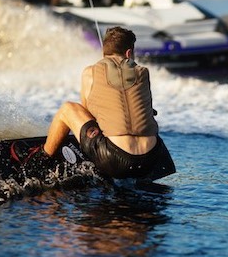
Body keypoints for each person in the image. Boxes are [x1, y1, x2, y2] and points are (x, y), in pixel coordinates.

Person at [12, 26, 174, 181]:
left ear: (104, 51)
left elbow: (89, 116)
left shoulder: (90, 71)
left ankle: (41, 160)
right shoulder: (143, 72)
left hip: (115, 159)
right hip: (151, 159)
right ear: (129, 52)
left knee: (68, 109)